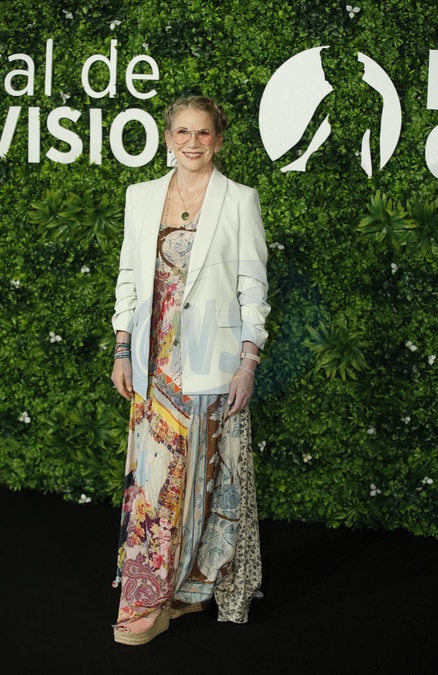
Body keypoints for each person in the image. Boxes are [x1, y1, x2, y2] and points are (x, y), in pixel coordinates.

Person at [110, 95, 270, 646]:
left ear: (218, 140)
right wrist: (121, 349)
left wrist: (248, 362)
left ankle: (191, 590)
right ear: (168, 137)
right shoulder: (140, 196)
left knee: (203, 477)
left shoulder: (240, 199)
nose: (192, 142)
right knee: (155, 483)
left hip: (211, 360)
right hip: (153, 361)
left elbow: (253, 288)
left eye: (203, 133)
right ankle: (147, 597)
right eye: (182, 132)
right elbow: (129, 278)